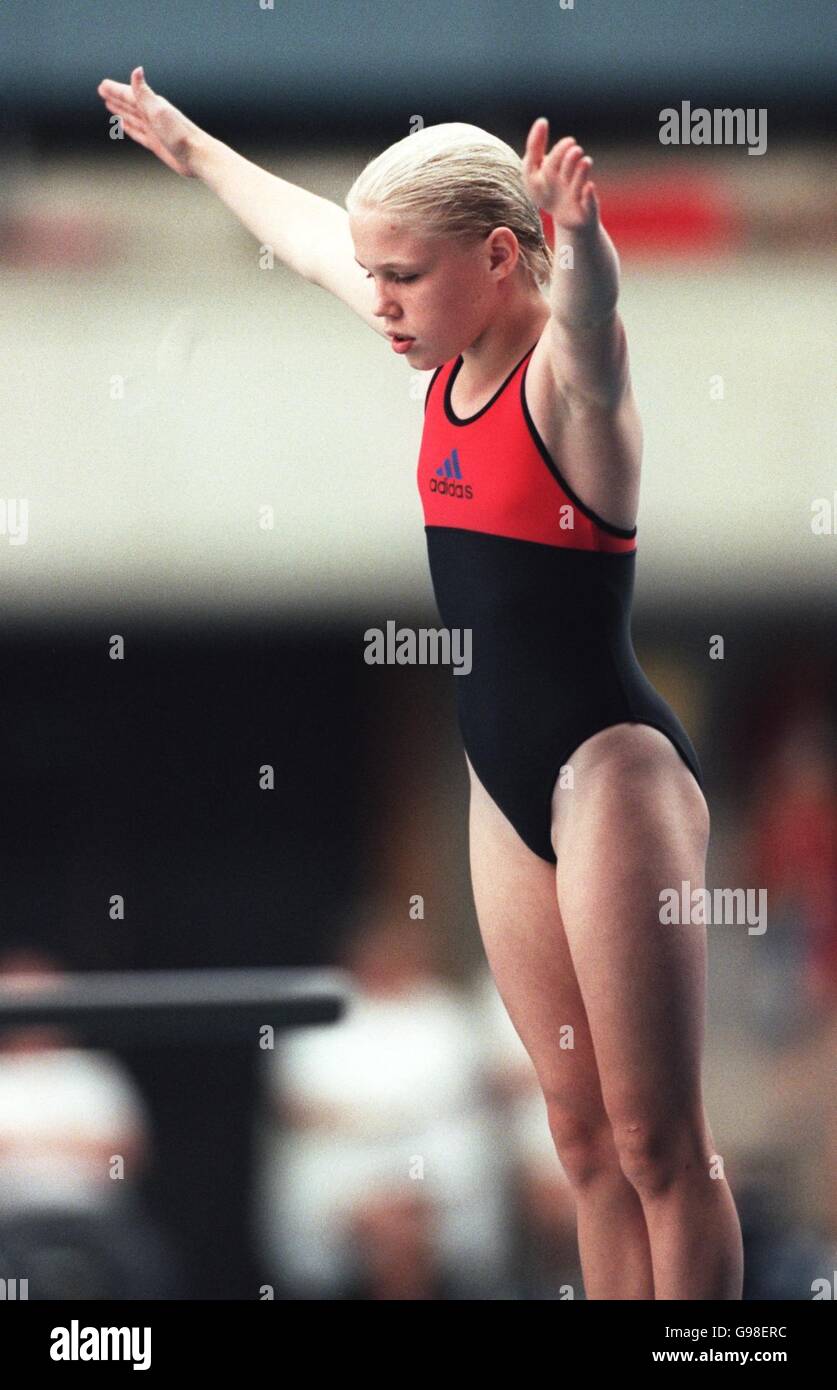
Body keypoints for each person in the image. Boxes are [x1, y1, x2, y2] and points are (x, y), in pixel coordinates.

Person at [96, 68, 744, 1299]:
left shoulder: (566, 384)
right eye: (375, 274)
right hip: (501, 776)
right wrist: (192, 147)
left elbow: (599, 333)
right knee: (582, 1138)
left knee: (661, 1138)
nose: (380, 301)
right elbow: (303, 235)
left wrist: (589, 241)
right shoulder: (433, 355)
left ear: (501, 255)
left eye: (403, 276)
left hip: (610, 769)